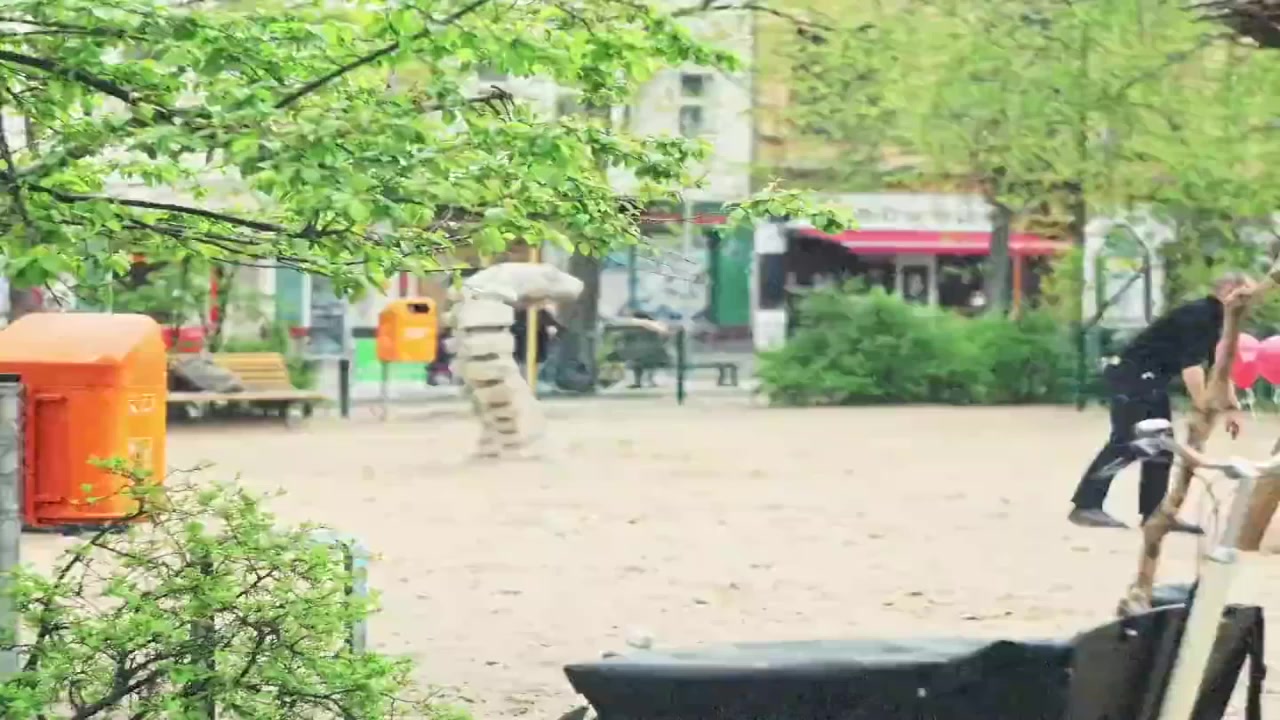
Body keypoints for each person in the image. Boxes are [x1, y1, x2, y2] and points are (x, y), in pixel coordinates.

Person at [1069, 271, 1253, 532]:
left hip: (1152, 381)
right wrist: (1202, 407)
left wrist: (1232, 410)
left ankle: (1154, 514)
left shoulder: (1219, 321)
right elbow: (1191, 368)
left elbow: (1219, 370)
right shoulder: (1199, 316)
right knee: (1126, 443)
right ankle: (1086, 505)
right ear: (1228, 292)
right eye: (1246, 296)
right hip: (1133, 377)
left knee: (1161, 447)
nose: (1250, 304)